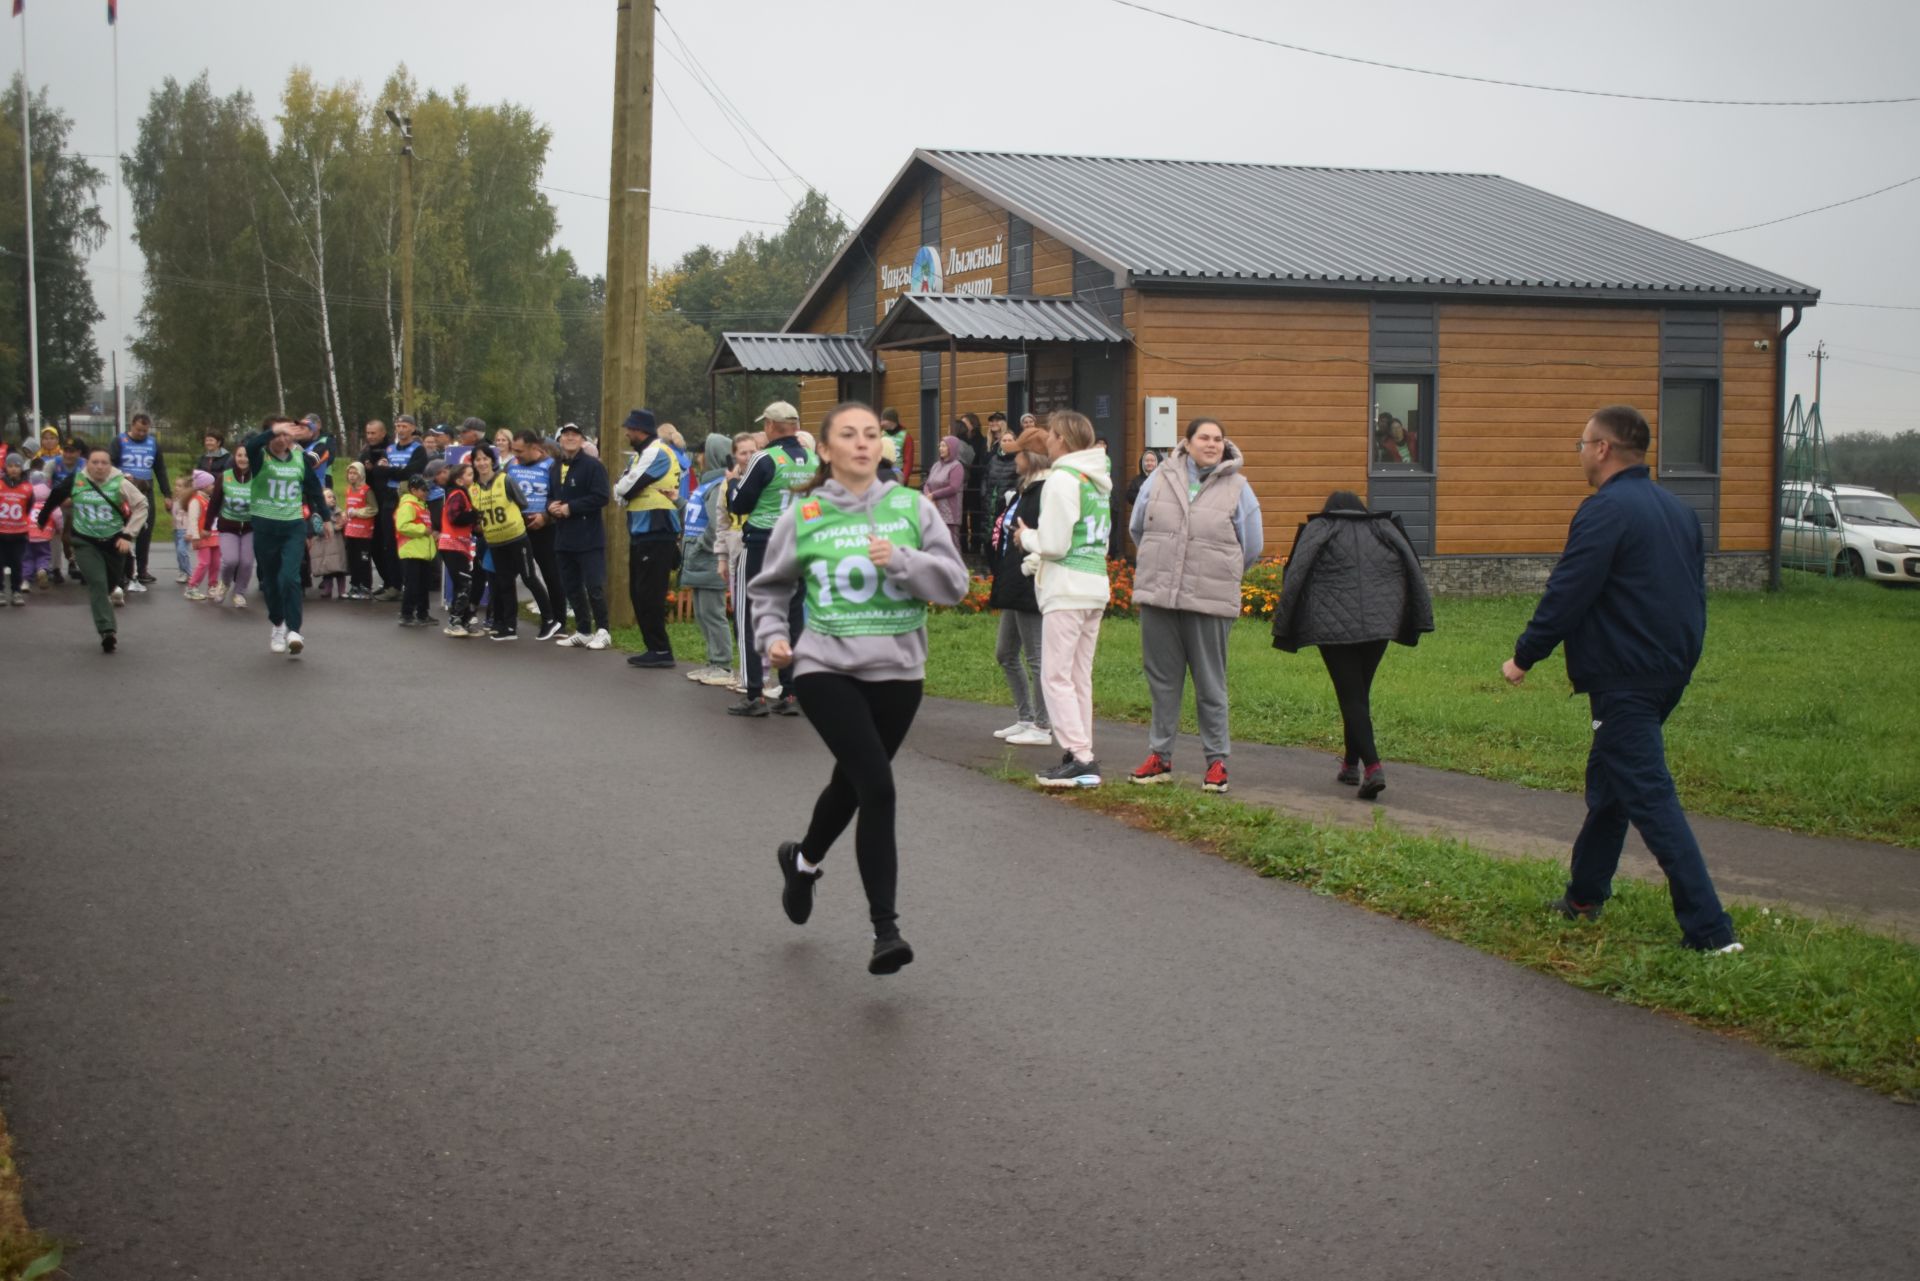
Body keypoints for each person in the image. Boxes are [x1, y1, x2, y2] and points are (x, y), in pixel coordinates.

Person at [1502, 404, 1741, 954]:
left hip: (1626, 678)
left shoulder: (1604, 510)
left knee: (1650, 796)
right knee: (1612, 788)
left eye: (1583, 444)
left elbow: (1569, 590)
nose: (1581, 453)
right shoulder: (1678, 511)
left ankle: (1710, 931)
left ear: (1603, 449)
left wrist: (1524, 656)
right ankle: (1584, 896)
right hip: (1667, 671)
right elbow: (1694, 595)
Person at [750, 400, 968, 975]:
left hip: (899, 671)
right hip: (824, 666)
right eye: (848, 434)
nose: (863, 443)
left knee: (852, 783)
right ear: (825, 449)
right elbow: (770, 588)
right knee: (879, 787)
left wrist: (900, 559)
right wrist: (773, 638)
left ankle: (802, 861)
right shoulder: (805, 512)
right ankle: (886, 931)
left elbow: (954, 586)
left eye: (872, 434)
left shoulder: (911, 507)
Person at [1126, 418, 1266, 794]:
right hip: (1160, 597)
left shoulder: (1238, 487)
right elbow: (1138, 528)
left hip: (1209, 600)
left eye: (1218, 439)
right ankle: (1160, 757)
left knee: (1210, 684)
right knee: (1162, 681)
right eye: (1204, 437)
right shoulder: (1159, 479)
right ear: (1186, 443)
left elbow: (1251, 546)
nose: (1212, 444)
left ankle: (1217, 762)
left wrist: (1217, 570)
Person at [1271, 490, 1433, 799]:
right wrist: (1416, 614)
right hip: (1380, 624)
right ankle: (1349, 764)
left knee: (1351, 695)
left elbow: (1295, 573)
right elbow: (1413, 567)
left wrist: (1285, 621)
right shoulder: (1383, 528)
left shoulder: (1321, 528)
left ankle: (1373, 768)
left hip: (1333, 627)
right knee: (1358, 694)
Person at [1018, 409, 1112, 789]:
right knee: (1078, 676)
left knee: (1055, 675)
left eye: (1052, 435)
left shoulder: (1062, 479)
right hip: (1094, 583)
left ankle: (1081, 756)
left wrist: (1026, 538)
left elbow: (1055, 544)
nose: (1048, 440)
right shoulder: (1097, 480)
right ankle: (1081, 750)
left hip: (1066, 587)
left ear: (1062, 439)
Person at [727, 401, 814, 716]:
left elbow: (739, 504)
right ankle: (791, 693)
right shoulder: (814, 459)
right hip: (798, 543)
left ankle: (755, 693)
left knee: (751, 615)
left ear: (771, 426)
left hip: (763, 543)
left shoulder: (764, 458)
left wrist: (734, 484)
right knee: (793, 615)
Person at [36, 446, 150, 652]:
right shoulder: (76, 480)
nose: (99, 467)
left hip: (114, 542)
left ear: (110, 465)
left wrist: (128, 534)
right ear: (87, 464)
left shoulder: (120, 482)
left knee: (112, 583)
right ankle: (107, 631)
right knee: (97, 583)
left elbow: (142, 505)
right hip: (84, 541)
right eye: (94, 462)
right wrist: (42, 519)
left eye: (104, 463)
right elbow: (55, 496)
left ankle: (110, 594)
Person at [238, 415, 333, 656]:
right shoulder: (260, 458)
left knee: (290, 578)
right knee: (270, 582)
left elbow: (313, 490)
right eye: (277, 435)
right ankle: (278, 624)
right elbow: (249, 446)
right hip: (265, 527)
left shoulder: (300, 459)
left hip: (292, 526)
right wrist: (272, 430)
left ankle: (294, 630)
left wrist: (326, 517)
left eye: (285, 435)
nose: (281, 440)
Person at [986, 426, 1054, 747]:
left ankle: (1043, 724)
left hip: (1031, 581)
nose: (1015, 461)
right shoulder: (1024, 489)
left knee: (1036, 656)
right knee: (1005, 653)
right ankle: (1025, 716)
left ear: (1032, 457)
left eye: (1019, 455)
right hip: (1014, 579)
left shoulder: (1044, 492)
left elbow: (1044, 538)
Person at [611, 409, 682, 668]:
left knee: (648, 594)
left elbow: (625, 487)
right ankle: (654, 648)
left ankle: (661, 650)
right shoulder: (645, 454)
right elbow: (622, 488)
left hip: (657, 529)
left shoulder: (656, 452)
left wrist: (622, 487)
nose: (627, 433)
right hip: (644, 530)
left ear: (640, 430)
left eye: (629, 429)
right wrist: (622, 487)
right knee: (639, 593)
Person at [547, 421, 613, 649]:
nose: (570, 438)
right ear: (560, 440)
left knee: (594, 586)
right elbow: (550, 495)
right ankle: (584, 629)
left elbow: (602, 496)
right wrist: (551, 507)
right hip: (564, 537)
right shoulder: (555, 467)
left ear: (582, 440)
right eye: (566, 435)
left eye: (575, 435)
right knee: (571, 586)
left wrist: (571, 508)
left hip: (588, 537)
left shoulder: (593, 466)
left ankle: (603, 630)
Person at [471, 446, 544, 642]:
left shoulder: (505, 479)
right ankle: (509, 626)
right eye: (477, 460)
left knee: (529, 578)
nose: (482, 463)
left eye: (485, 458)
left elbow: (522, 503)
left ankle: (550, 619)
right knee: (504, 582)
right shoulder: (474, 488)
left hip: (516, 538)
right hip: (495, 542)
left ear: (492, 460)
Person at [680, 433, 736, 685]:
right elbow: (696, 515)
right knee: (702, 613)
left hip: (708, 558)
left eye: (702, 453)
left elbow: (716, 525)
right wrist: (679, 502)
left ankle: (723, 665)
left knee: (713, 613)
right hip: (697, 559)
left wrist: (700, 545)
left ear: (713, 455)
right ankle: (713, 661)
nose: (698, 458)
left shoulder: (717, 486)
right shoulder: (705, 484)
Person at [508, 430, 565, 640]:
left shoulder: (551, 466)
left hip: (544, 528)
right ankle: (505, 621)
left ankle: (558, 622)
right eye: (514, 451)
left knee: (551, 574)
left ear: (535, 448)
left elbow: (559, 497)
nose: (517, 455)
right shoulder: (512, 465)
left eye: (520, 451)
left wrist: (545, 517)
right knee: (509, 575)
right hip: (517, 528)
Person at [361, 417, 422, 600]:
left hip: (408, 501)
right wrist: (393, 471)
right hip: (388, 500)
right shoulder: (389, 449)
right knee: (388, 543)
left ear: (412, 428)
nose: (401, 430)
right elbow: (379, 472)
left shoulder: (418, 449)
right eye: (398, 426)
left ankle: (410, 585)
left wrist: (390, 471)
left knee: (406, 543)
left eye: (404, 426)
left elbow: (411, 472)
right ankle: (393, 585)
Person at [109, 411, 169, 587]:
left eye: (145, 430)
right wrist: (122, 476)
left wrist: (167, 494)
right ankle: (123, 570)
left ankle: (142, 569)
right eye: (138, 430)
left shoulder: (153, 443)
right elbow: (109, 463)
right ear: (131, 426)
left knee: (145, 529)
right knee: (123, 529)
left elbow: (161, 469)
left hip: (145, 490)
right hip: (124, 489)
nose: (142, 434)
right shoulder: (119, 441)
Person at [206, 446, 255, 608]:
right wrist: (207, 526)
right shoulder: (224, 477)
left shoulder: (257, 477)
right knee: (231, 560)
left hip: (250, 527)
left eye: (246, 456)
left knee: (247, 563)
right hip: (228, 526)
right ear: (234, 457)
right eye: (239, 455)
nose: (243, 459)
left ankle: (239, 592)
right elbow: (214, 504)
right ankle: (224, 584)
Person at [437, 459, 481, 637]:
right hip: (452, 544)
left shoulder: (463, 494)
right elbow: (455, 516)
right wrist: (474, 515)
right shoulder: (457, 494)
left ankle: (463, 620)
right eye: (470, 474)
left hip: (460, 544)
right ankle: (454, 620)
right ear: (459, 480)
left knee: (463, 583)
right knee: (464, 582)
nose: (473, 477)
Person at [923, 433, 967, 547]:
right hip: (934, 509)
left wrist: (933, 495)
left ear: (951, 448)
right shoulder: (936, 465)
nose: (940, 449)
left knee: (951, 543)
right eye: (940, 446)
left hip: (949, 513)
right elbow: (927, 483)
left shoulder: (957, 466)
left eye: (944, 446)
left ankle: (956, 565)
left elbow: (954, 487)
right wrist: (928, 495)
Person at [183, 470, 221, 600]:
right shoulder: (196, 501)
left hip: (214, 535)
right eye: (212, 484)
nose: (214, 487)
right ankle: (192, 587)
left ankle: (212, 586)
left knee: (216, 562)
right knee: (204, 562)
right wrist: (195, 536)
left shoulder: (209, 499)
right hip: (202, 536)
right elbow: (193, 519)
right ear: (204, 486)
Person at [341, 461, 377, 599]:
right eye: (350, 473)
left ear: (361, 474)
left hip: (364, 532)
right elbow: (348, 507)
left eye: (355, 473)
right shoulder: (348, 489)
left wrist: (357, 512)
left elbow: (373, 509)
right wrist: (345, 514)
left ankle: (365, 587)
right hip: (351, 531)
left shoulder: (367, 490)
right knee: (352, 560)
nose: (352, 476)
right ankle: (354, 586)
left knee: (363, 560)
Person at [308, 484, 347, 600]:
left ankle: (342, 591)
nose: (332, 499)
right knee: (327, 570)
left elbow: (344, 525)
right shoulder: (318, 515)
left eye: (333, 497)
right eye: (329, 497)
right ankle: (327, 589)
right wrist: (335, 527)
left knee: (340, 569)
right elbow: (318, 529)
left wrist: (344, 523)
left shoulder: (339, 512)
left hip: (337, 545)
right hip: (325, 546)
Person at [0, 451, 29, 604]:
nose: (13, 469)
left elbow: (29, 507)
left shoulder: (27, 488)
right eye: (10, 466)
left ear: (21, 468)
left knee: (17, 564)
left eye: (16, 466)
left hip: (18, 533)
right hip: (1, 532)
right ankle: (1, 592)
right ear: (5, 468)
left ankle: (16, 591)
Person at [982, 413, 1018, 532]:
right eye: (991, 421)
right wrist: (984, 492)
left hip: (1005, 494)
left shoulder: (1012, 448)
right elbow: (986, 474)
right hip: (991, 492)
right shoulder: (988, 442)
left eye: (997, 421)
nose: (993, 423)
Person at [23, 475, 59, 590]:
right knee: (43, 555)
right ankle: (42, 569)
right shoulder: (50, 503)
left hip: (28, 534)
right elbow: (58, 516)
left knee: (26, 557)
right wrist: (59, 528)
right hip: (44, 535)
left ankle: (25, 581)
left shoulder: (27, 502)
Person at [167, 473, 198, 585]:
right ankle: (182, 572)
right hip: (176, 529)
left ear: (186, 489)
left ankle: (190, 573)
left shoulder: (188, 501)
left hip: (185, 530)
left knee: (182, 550)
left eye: (180, 486)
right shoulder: (175, 499)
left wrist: (191, 531)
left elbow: (192, 516)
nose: (176, 488)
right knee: (178, 552)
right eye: (176, 485)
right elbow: (174, 514)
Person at [879, 406, 913, 483]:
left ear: (891, 421)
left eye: (883, 420)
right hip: (883, 474)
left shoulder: (906, 437)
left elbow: (908, 461)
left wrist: (904, 478)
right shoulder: (881, 434)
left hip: (898, 474)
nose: (881, 423)